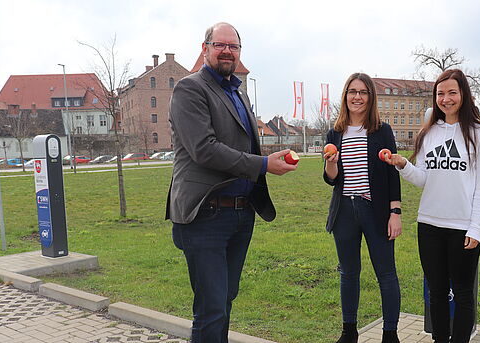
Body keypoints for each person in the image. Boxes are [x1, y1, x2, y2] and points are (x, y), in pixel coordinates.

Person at [166, 22, 297, 343]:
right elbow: (204, 150)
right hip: (205, 215)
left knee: (224, 301)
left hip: (240, 214)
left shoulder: (237, 90)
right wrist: (265, 164)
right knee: (211, 309)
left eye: (234, 47)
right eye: (220, 45)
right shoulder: (190, 89)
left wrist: (268, 155)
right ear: (205, 47)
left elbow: (242, 146)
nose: (227, 51)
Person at [384, 69, 480, 343]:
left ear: (463, 95)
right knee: (437, 291)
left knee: (464, 293)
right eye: (440, 94)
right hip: (429, 225)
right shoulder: (429, 132)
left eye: (452, 92)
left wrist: (476, 228)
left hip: (462, 227)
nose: (446, 99)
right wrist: (403, 165)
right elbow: (423, 179)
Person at [323, 73, 402, 343]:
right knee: (348, 273)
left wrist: (395, 213)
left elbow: (393, 176)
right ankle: (349, 332)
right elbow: (331, 178)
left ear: (371, 97)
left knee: (386, 273)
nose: (357, 97)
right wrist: (331, 163)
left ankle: (390, 334)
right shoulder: (335, 132)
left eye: (363, 92)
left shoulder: (382, 131)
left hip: (375, 210)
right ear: (345, 96)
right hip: (344, 210)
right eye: (352, 91)